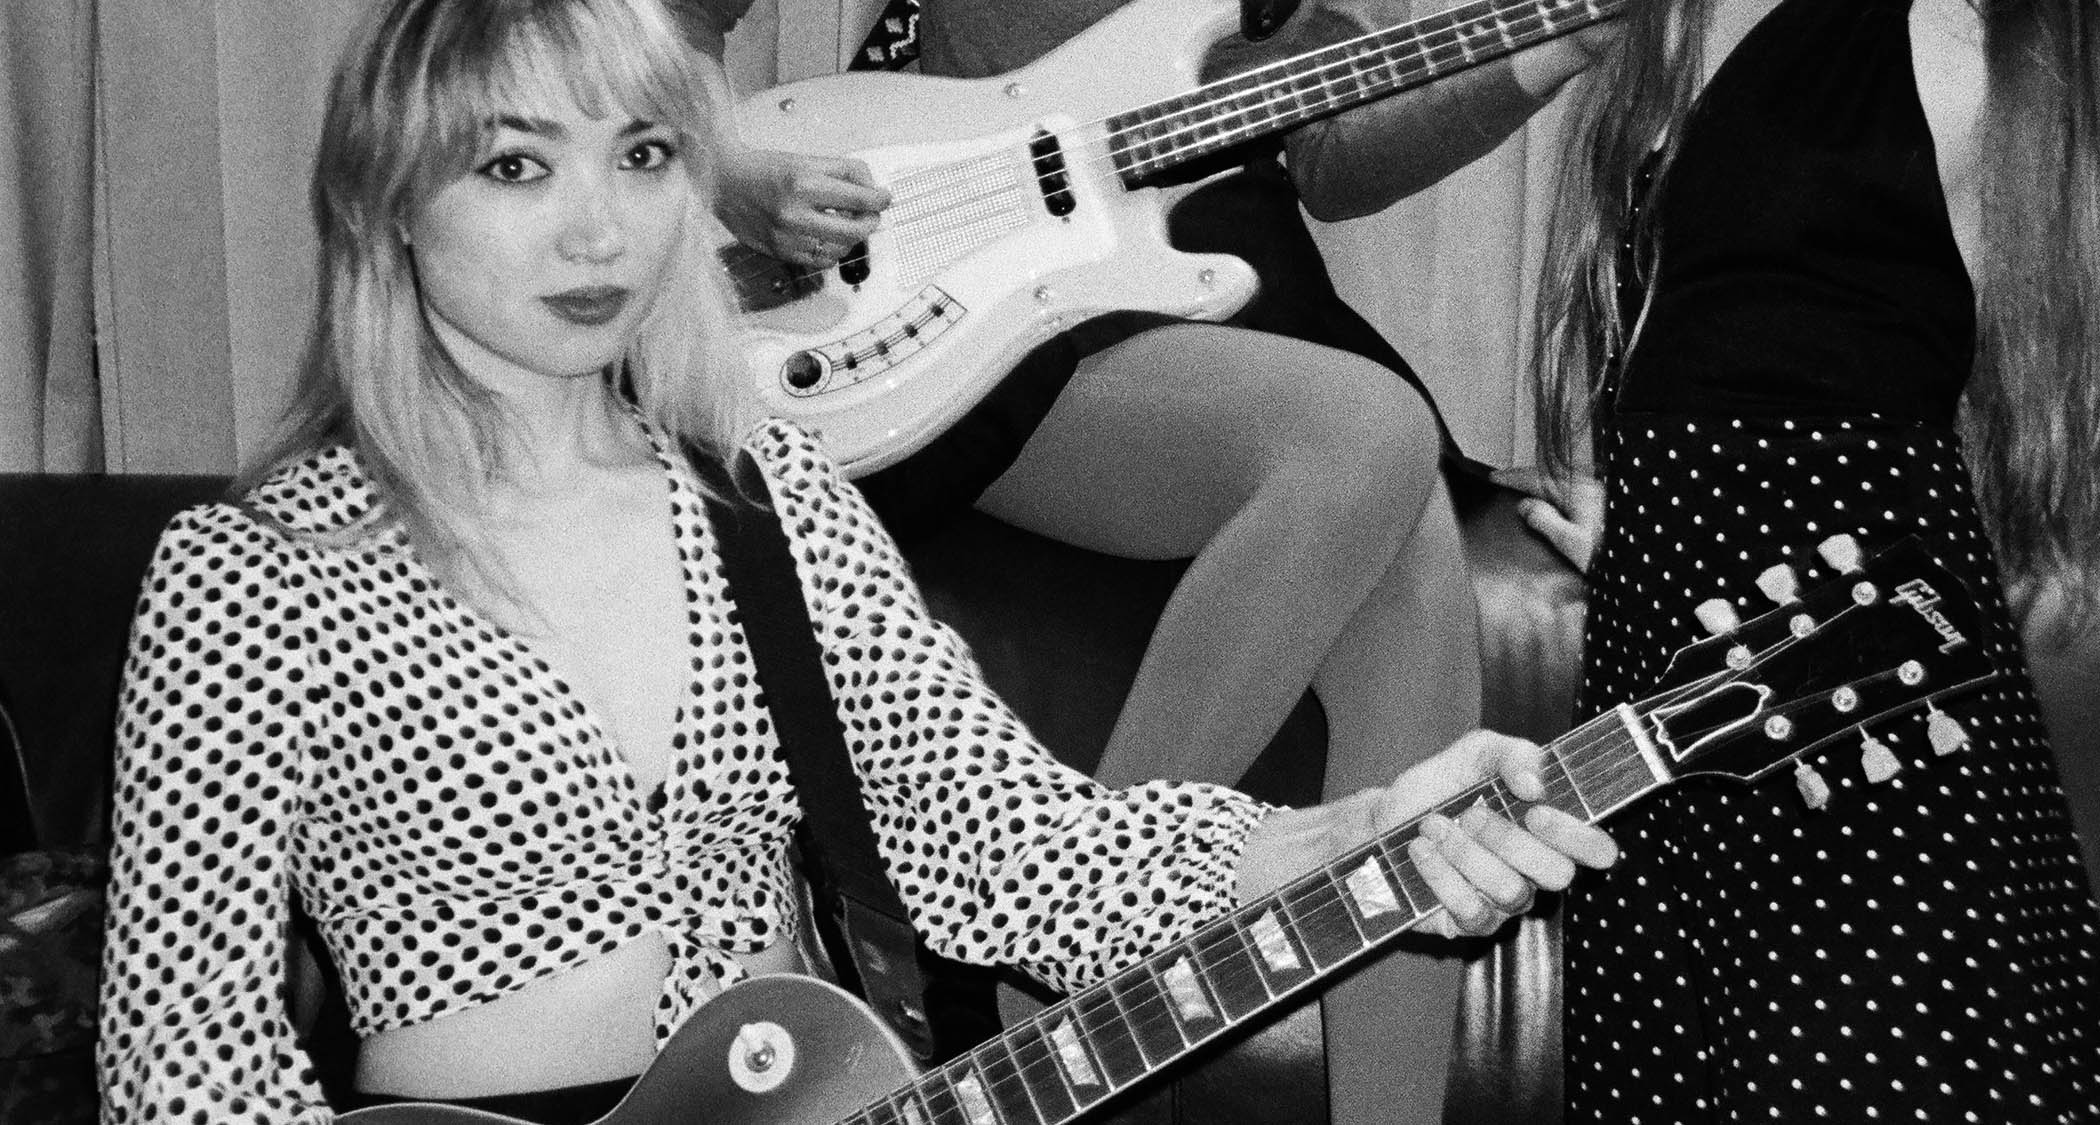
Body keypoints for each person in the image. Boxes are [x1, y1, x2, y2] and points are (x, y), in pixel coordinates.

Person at [91, 2, 1621, 1122]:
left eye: (640, 157)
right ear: (386, 206)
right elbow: (185, 1056)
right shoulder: (256, 568)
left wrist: (1361, 832)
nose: (598, 230)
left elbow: (1019, 849)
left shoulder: (767, 497)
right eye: (514, 167)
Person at [685, 3, 1619, 1121]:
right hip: (962, 280)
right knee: (1371, 433)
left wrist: (1539, 54)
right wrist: (716, 158)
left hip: (1207, 261)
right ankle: (1062, 978)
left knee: (1404, 518)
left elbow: (1323, 139)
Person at [1509, 0, 2100, 1118]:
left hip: (1856, 664)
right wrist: (1651, 532)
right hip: (1668, 675)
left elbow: (2014, 387)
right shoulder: (1666, 34)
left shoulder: (1958, 41)